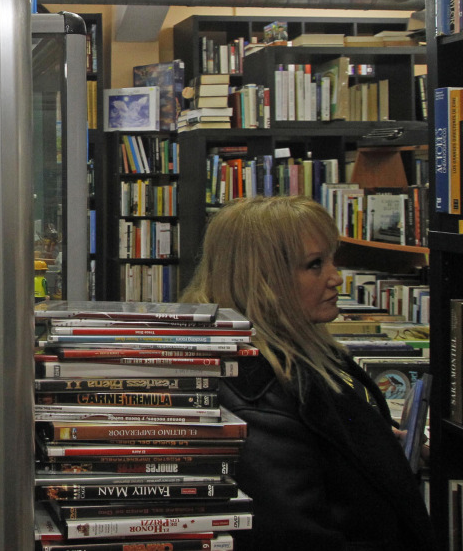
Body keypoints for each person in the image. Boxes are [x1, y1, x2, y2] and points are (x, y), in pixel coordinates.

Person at [179, 196, 432, 551]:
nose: (336, 278)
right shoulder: (253, 393)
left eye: (332, 260)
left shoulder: (296, 350)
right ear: (264, 279)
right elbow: (293, 535)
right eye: (315, 265)